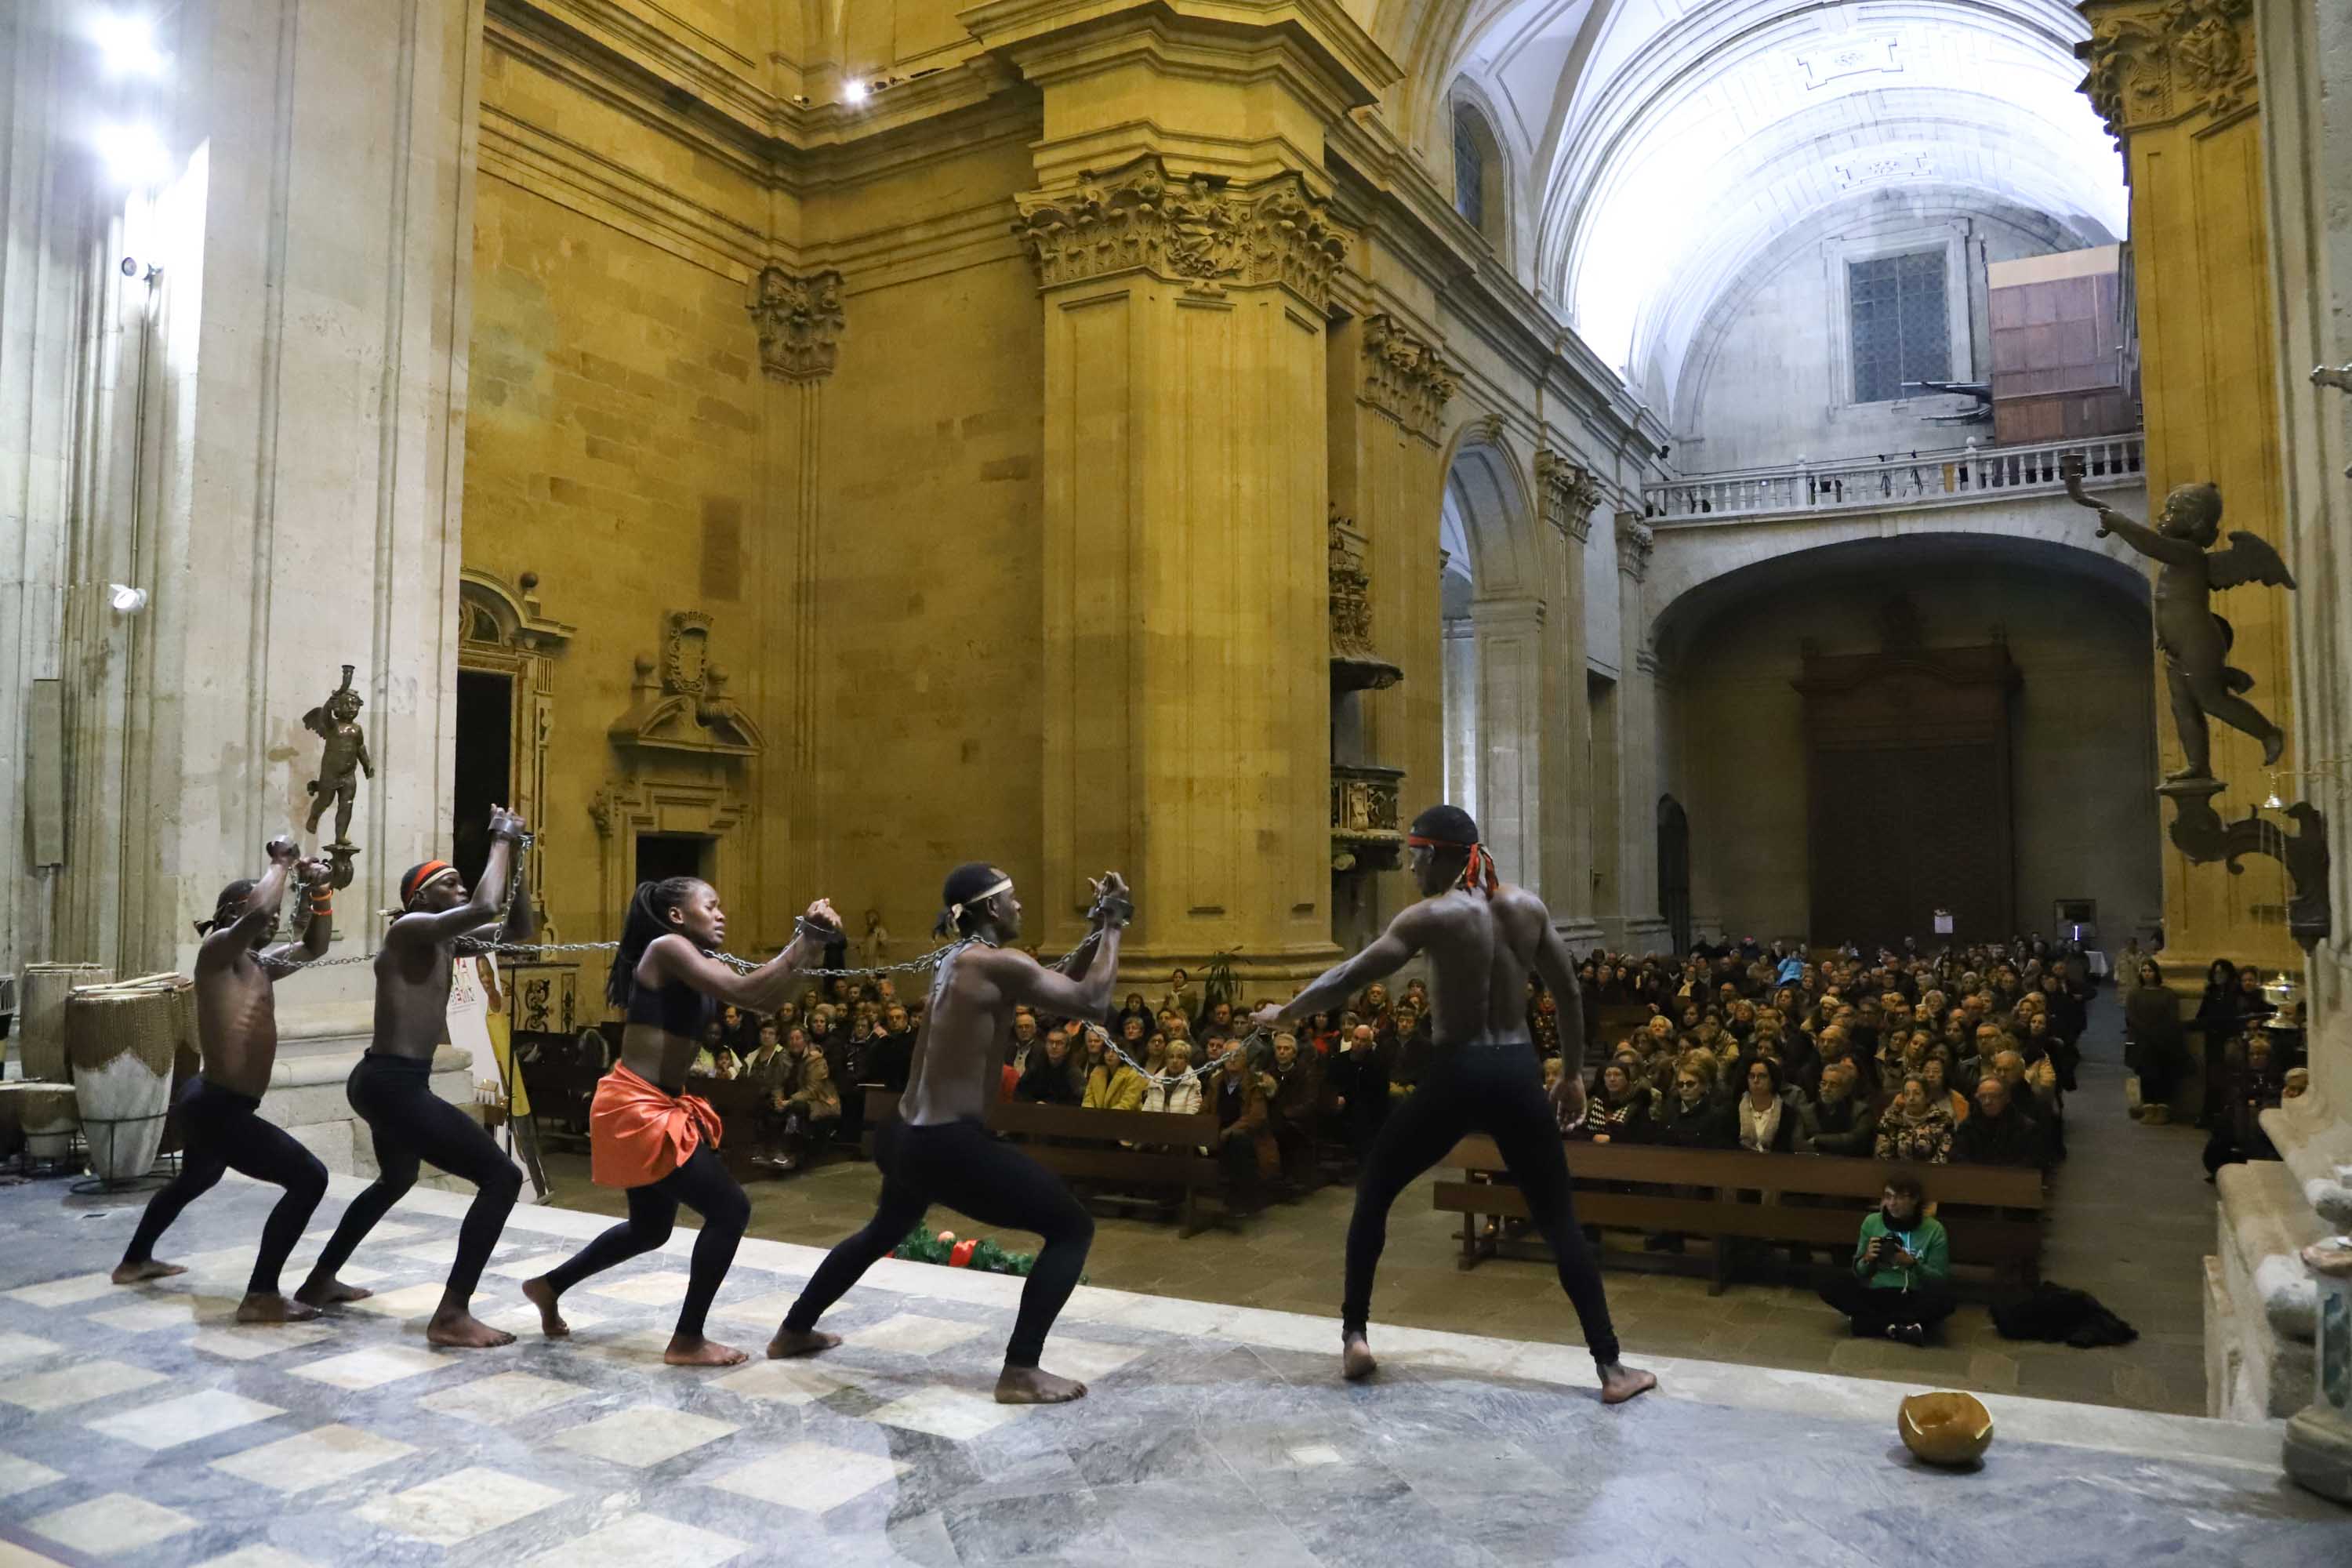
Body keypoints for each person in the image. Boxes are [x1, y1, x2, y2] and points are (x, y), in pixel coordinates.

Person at [1247, 804, 1652, 1403]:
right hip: (1516, 1069)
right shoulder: (1527, 907)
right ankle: (1611, 1367)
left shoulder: (1430, 917)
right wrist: (1570, 1073)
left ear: (1434, 855)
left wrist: (1285, 1013)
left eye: (1414, 856)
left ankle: (1355, 1333)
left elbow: (1350, 977)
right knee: (1558, 1217)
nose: (1410, 868)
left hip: (1458, 1069)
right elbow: (1568, 991)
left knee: (1377, 1188)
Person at [769, 863, 1127, 1404]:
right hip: (946, 1143)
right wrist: (1118, 923)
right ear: (990, 909)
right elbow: (1092, 1001)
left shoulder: (959, 961)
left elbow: (1053, 985)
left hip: (906, 1135)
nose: (1020, 907)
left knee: (883, 1230)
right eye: (1012, 899)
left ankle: (794, 1329)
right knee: (1072, 1228)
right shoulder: (998, 964)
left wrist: (1095, 927)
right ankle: (1021, 1370)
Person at [522, 876, 840, 1366]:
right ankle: (687, 1339)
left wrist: (811, 944)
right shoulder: (668, 948)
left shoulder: (694, 959)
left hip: (657, 1102)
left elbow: (767, 999)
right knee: (730, 1209)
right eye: (709, 906)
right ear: (676, 916)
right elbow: (748, 992)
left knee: (650, 1229)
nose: (720, 914)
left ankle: (549, 1285)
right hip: (638, 1105)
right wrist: (804, 938)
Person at [296, 808, 537, 1345]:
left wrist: (517, 855)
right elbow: (485, 903)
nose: (459, 888)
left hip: (390, 1081)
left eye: (458, 879)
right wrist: (498, 837)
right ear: (420, 898)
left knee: (396, 1179)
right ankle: (451, 1315)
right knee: (501, 1178)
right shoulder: (409, 931)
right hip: (392, 1083)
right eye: (447, 882)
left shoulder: (448, 942)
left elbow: (519, 931)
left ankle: (318, 1281)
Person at [112, 839, 336, 1322]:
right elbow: (256, 918)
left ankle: (134, 1262)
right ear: (234, 911)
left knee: (198, 1176)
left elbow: (316, 945)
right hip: (218, 1105)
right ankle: (260, 1295)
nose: (273, 918)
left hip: (214, 1100)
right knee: (309, 1178)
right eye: (261, 907)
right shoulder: (216, 952)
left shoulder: (259, 965)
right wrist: (281, 864)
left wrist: (320, 893)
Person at [1820, 1174, 1954, 1345]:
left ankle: (1869, 1324)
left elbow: (1939, 1280)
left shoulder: (1934, 1230)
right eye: (1888, 1197)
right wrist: (1867, 1259)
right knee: (1828, 1282)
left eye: (1899, 1198)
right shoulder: (1872, 1222)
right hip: (1877, 1291)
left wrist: (1913, 1264)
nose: (1892, 1203)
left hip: (1912, 1295)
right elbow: (1859, 1273)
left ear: (1915, 1200)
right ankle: (1903, 1327)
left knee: (1946, 1299)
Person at [1953, 1075, 2044, 1167]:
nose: (1987, 1102)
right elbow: (1958, 1158)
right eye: (1982, 1097)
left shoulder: (2027, 1128)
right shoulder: (1967, 1127)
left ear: (2007, 1098)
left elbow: (2031, 1163)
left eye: (1993, 1096)